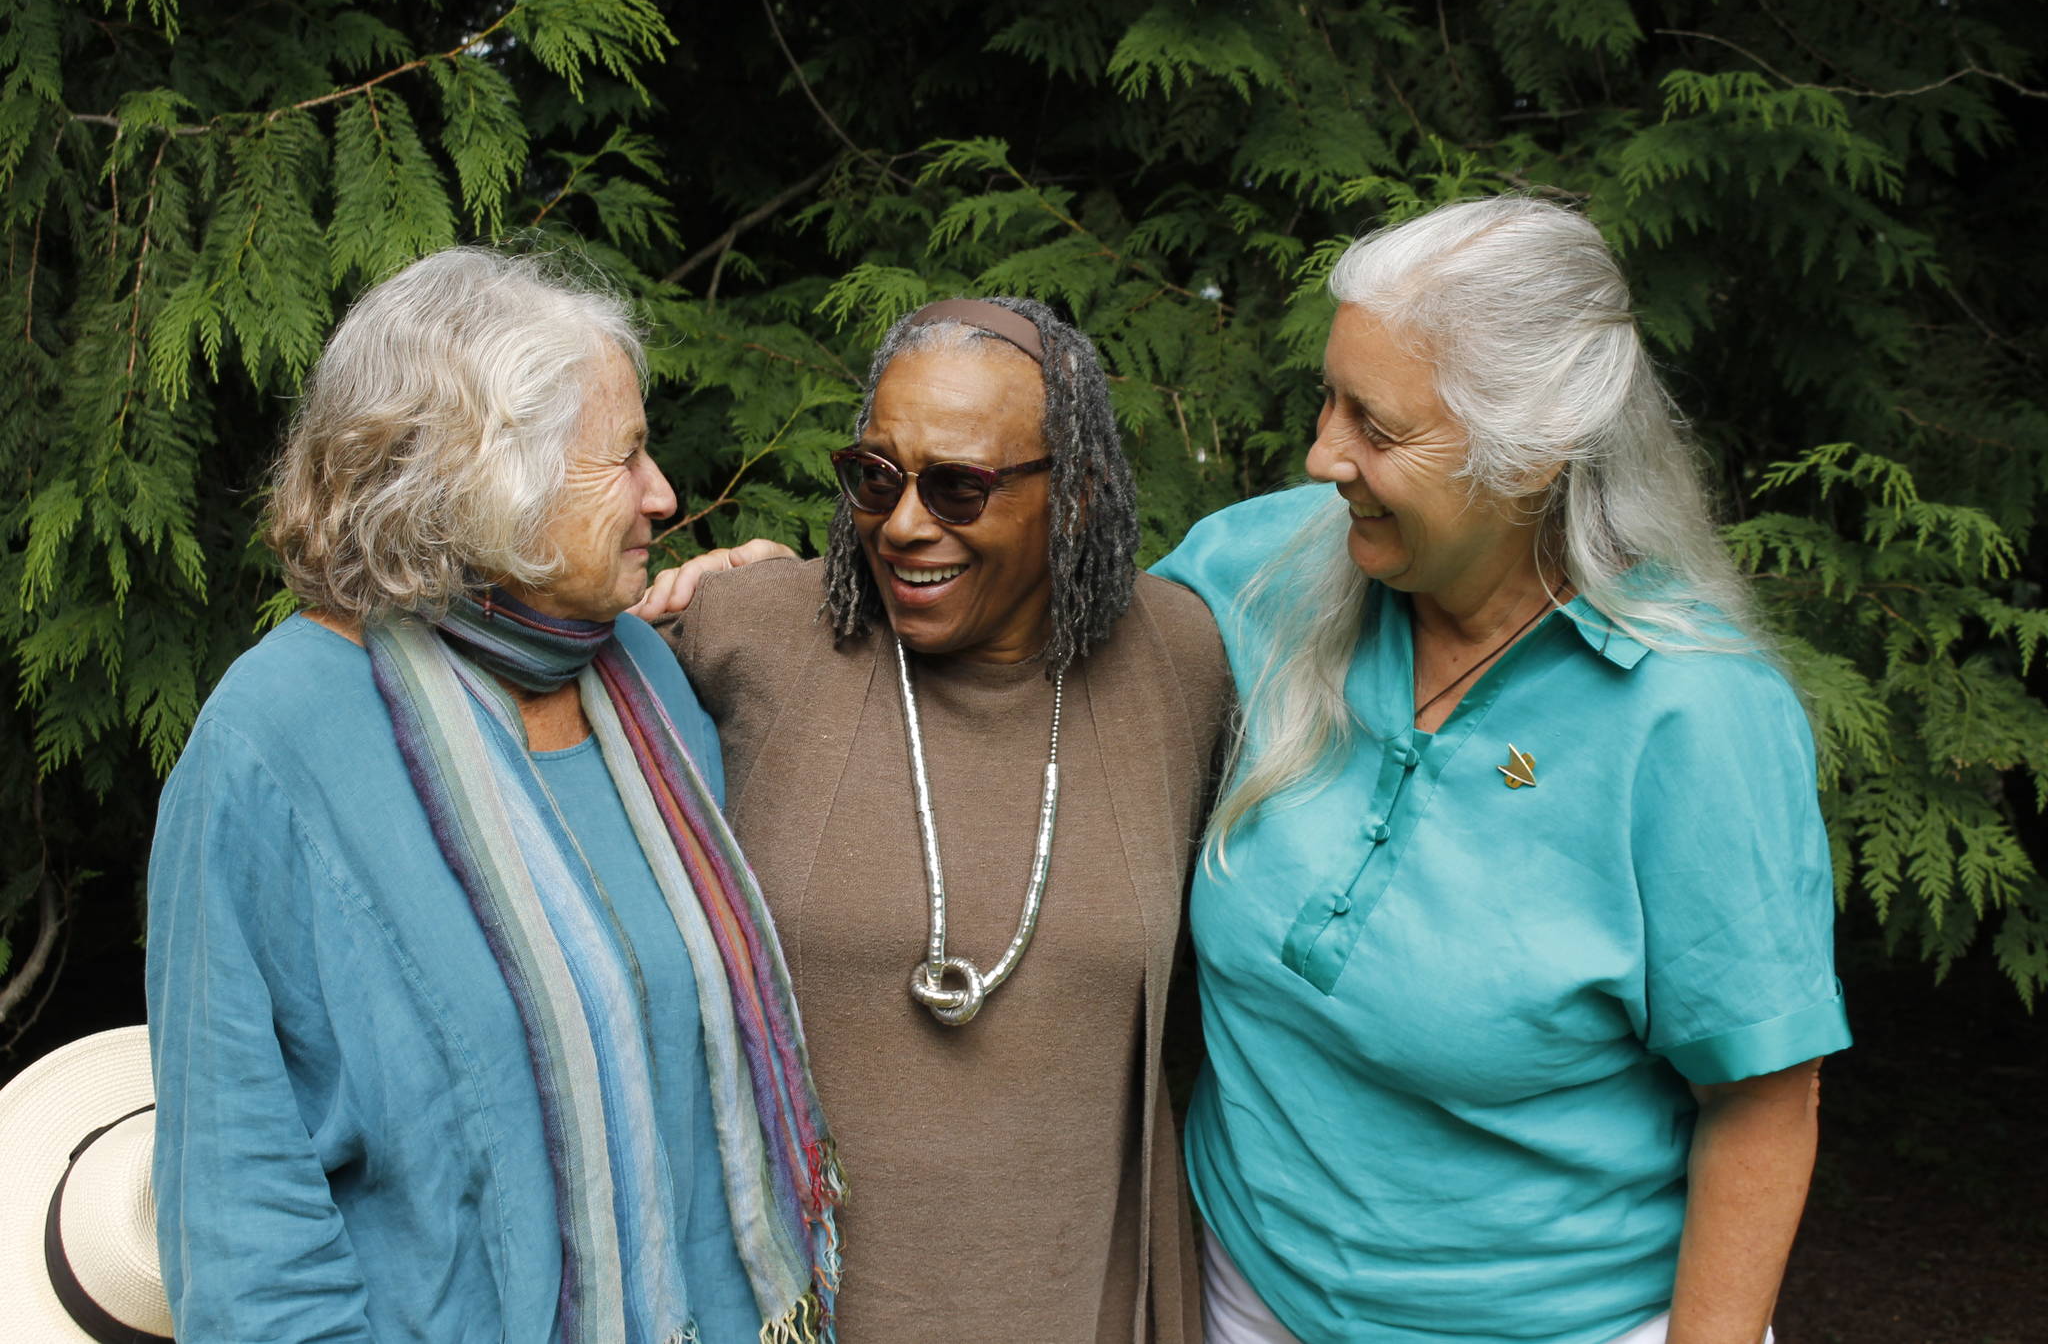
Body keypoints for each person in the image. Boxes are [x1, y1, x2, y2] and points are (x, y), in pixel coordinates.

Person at [1149, 196, 1852, 1344]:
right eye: (1327, 399)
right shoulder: (1266, 563)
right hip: (1247, 1298)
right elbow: (1047, 663)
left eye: (1376, 427)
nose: (1324, 453)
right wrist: (777, 606)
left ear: (1529, 459)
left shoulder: (1691, 716)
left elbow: (1763, 1106)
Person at [146, 248, 840, 1344]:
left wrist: (780, 615)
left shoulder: (643, 675)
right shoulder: (270, 744)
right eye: (622, 459)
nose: (662, 494)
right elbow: (244, 1225)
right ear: (480, 482)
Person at [631, 297, 1232, 1341]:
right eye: (875, 476)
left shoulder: (1179, 663)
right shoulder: (746, 634)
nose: (904, 524)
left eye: (958, 486)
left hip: (1080, 1307)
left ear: (1078, 497)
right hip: (789, 1315)